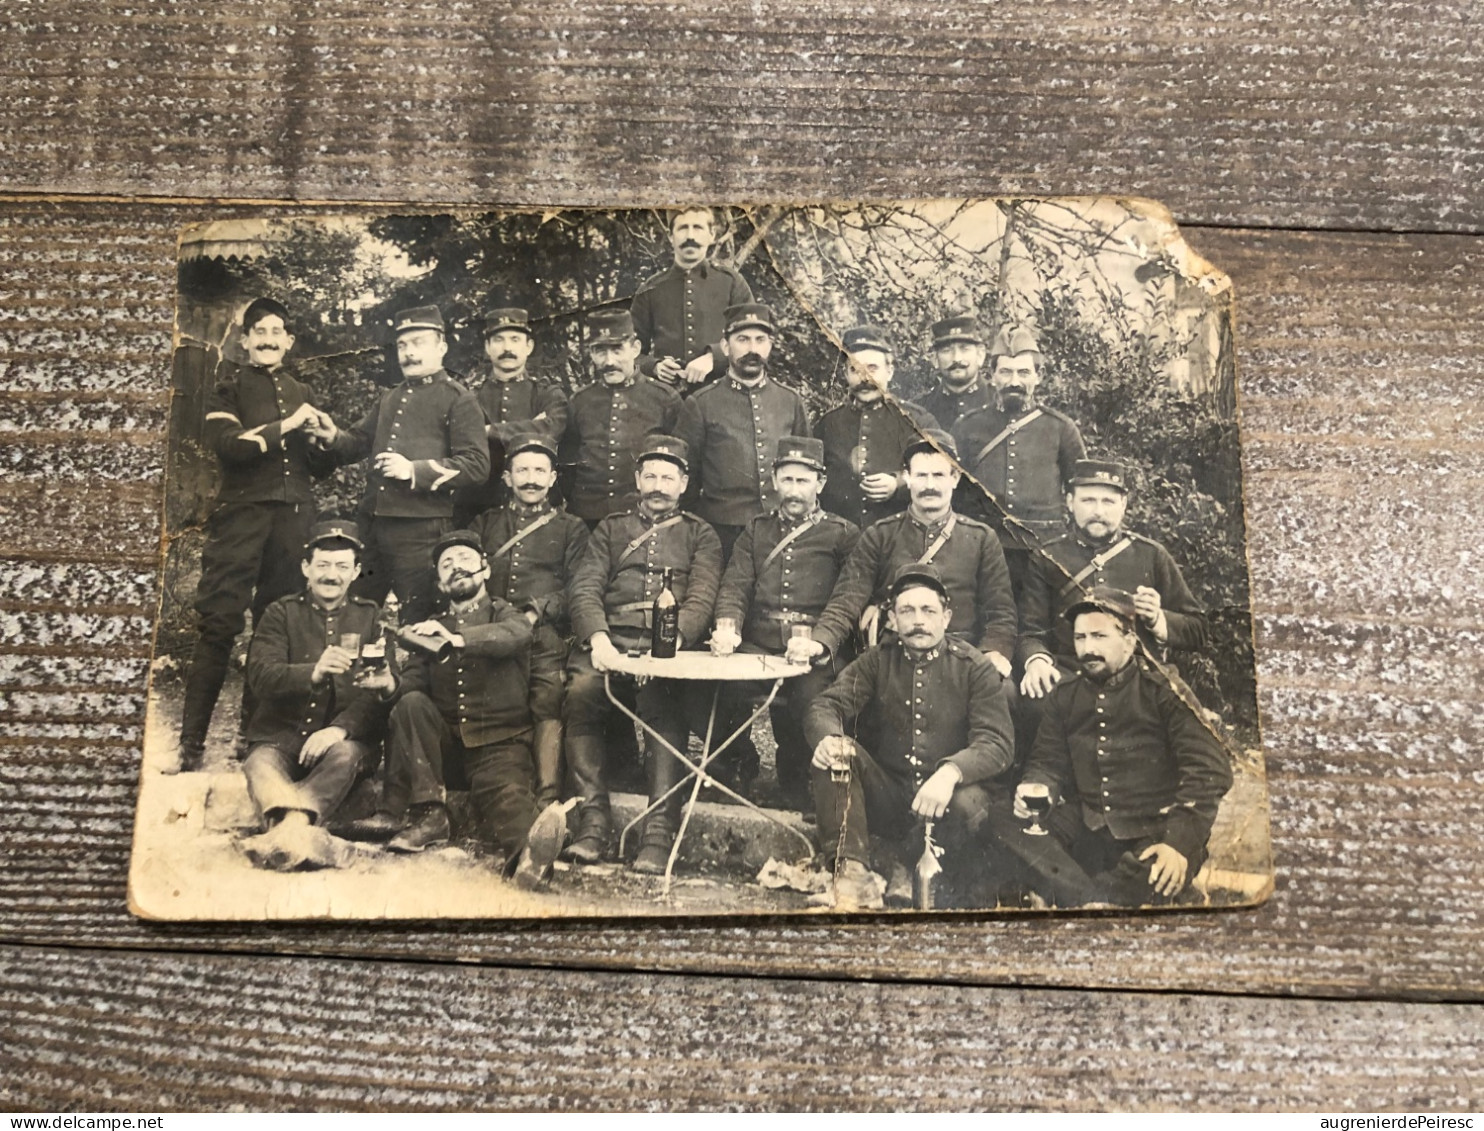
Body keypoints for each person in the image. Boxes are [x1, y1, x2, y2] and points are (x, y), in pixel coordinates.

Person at [990, 587, 1232, 907]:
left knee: (1156, 867)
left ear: (1130, 640)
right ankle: (1097, 898)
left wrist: (1179, 842)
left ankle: (1073, 891)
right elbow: (1046, 762)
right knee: (1001, 820)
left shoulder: (1164, 690)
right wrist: (1039, 786)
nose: (1088, 648)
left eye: (1099, 636)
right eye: (1080, 638)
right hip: (1089, 829)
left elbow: (1211, 771)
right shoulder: (1066, 694)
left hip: (1153, 829)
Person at [349, 530, 562, 889]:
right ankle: (431, 816)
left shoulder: (508, 615)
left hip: (499, 745)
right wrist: (388, 684)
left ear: (485, 571)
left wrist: (456, 640)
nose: (456, 568)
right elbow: (413, 687)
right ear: (440, 582)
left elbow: (515, 636)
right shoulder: (432, 626)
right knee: (411, 703)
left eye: (464, 559)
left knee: (509, 799)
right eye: (446, 564)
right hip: (444, 749)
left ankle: (530, 862)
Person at [178, 296, 338, 770]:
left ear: (288, 342)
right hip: (241, 518)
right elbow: (232, 448)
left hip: (293, 522)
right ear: (245, 340)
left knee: (274, 627)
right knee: (219, 623)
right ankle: (190, 745)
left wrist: (325, 438)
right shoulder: (226, 388)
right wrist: (288, 424)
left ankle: (252, 736)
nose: (268, 340)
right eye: (259, 331)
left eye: (277, 332)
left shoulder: (302, 389)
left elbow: (319, 467)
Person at [804, 562, 1014, 909]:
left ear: (946, 617)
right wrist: (827, 738)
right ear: (893, 620)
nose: (918, 620)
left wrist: (950, 773)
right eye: (907, 611)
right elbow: (825, 705)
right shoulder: (877, 661)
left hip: (954, 801)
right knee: (837, 755)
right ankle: (853, 877)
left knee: (965, 805)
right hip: (893, 798)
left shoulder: (973, 667)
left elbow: (997, 742)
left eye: (928, 610)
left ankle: (917, 873)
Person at [563, 435, 722, 874]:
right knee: (580, 692)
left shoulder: (700, 533)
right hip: (611, 641)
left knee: (663, 703)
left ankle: (658, 830)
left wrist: (666, 649)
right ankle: (593, 822)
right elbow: (586, 586)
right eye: (649, 475)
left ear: (684, 483)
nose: (657, 485)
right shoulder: (611, 529)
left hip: (667, 649)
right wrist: (598, 640)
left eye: (667, 477)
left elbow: (703, 598)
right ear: (637, 479)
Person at [311, 305, 490, 624]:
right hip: (373, 525)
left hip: (422, 530)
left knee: (419, 619)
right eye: (403, 345)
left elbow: (477, 464)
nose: (408, 353)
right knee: (355, 613)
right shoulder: (390, 398)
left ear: (441, 347)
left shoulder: (458, 399)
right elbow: (357, 443)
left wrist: (413, 470)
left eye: (418, 342)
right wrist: (333, 436)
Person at [711, 437, 860, 810]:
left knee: (810, 700)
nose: (794, 491)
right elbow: (735, 584)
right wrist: (728, 626)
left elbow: (848, 598)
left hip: (812, 648)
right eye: (788, 480)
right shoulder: (756, 530)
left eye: (804, 480)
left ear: (820, 484)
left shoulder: (843, 533)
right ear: (775, 481)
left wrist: (820, 642)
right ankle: (737, 764)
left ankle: (797, 781)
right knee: (718, 689)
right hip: (758, 644)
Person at [801, 430, 1018, 681]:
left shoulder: (982, 538)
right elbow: (847, 600)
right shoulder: (880, 535)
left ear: (955, 478)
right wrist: (820, 642)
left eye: (938, 475)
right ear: (907, 478)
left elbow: (1000, 611)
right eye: (921, 475)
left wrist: (994, 652)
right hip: (894, 656)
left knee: (1003, 692)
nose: (929, 486)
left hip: (960, 658)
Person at [237, 521, 387, 870]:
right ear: (306, 568)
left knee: (346, 754)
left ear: (355, 572)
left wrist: (339, 729)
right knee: (259, 763)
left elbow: (375, 692)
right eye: (322, 565)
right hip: (281, 738)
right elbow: (260, 676)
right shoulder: (280, 613)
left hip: (341, 744)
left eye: (341, 567)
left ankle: (287, 830)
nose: (331, 575)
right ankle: (300, 835)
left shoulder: (371, 617)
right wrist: (313, 672)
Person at [1019, 459, 1208, 700]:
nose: (1098, 511)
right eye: (1088, 500)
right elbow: (1030, 631)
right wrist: (1037, 660)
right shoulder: (1047, 557)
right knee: (1036, 701)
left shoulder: (1151, 555)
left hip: (1140, 679)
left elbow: (1198, 630)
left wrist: (1157, 618)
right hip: (1071, 677)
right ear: (1070, 502)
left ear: (1124, 505)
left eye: (1108, 501)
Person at [468, 434, 590, 807]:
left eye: (540, 470)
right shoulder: (485, 524)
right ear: (507, 478)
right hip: (492, 630)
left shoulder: (572, 528)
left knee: (547, 697)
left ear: (554, 478)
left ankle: (548, 791)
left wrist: (538, 610)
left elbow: (579, 588)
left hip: (543, 634)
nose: (531, 479)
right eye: (522, 470)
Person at [950, 325, 1086, 598]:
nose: (1014, 381)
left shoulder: (1060, 428)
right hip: (984, 548)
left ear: (1039, 375)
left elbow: (1080, 492)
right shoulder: (967, 427)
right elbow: (953, 489)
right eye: (1006, 372)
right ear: (991, 376)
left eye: (1024, 372)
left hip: (1043, 549)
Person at [674, 302, 811, 558]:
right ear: (725, 346)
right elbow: (686, 477)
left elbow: (806, 467)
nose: (752, 349)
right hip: (720, 531)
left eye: (760, 340)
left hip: (779, 527)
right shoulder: (701, 403)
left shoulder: (790, 401)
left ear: (770, 346)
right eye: (743, 339)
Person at [559, 308, 683, 524]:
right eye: (600, 351)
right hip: (587, 517)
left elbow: (681, 463)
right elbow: (567, 464)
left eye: (617, 350)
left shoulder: (664, 399)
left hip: (643, 520)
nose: (609, 361)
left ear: (635, 348)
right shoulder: (580, 401)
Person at [815, 324, 941, 530]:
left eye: (872, 368)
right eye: (855, 369)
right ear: (846, 374)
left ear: (889, 371)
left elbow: (941, 474)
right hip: (841, 542)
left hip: (901, 539)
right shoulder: (828, 424)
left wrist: (899, 484)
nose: (865, 378)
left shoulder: (917, 421)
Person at [453, 306, 570, 525]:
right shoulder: (469, 395)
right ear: (487, 347)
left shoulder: (546, 392)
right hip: (477, 504)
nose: (507, 348)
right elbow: (459, 439)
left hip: (536, 506)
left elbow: (553, 428)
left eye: (515, 339)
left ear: (529, 346)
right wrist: (532, 427)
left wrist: (490, 431)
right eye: (498, 340)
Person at [629, 206, 753, 390]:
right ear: (671, 237)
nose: (690, 237)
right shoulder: (650, 289)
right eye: (682, 228)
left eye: (698, 227)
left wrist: (715, 357)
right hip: (668, 401)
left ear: (712, 235)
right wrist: (654, 367)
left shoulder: (732, 283)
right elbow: (630, 351)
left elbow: (753, 340)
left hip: (723, 396)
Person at [919, 315, 992, 430]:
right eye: (946, 350)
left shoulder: (999, 402)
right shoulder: (921, 408)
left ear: (980, 355)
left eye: (964, 349)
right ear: (934, 359)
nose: (957, 358)